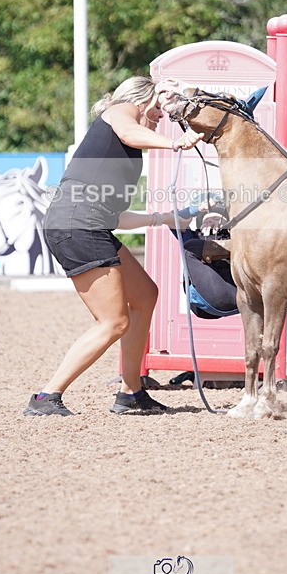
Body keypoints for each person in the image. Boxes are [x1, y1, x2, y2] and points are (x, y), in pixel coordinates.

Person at [24, 76, 203, 417]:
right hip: (79, 225)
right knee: (114, 322)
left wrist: (165, 218)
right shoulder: (121, 112)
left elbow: (117, 215)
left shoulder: (123, 148)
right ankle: (46, 397)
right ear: (142, 100)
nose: (162, 116)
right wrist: (176, 143)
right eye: (158, 108)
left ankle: (131, 393)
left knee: (146, 295)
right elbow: (129, 131)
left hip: (91, 222)